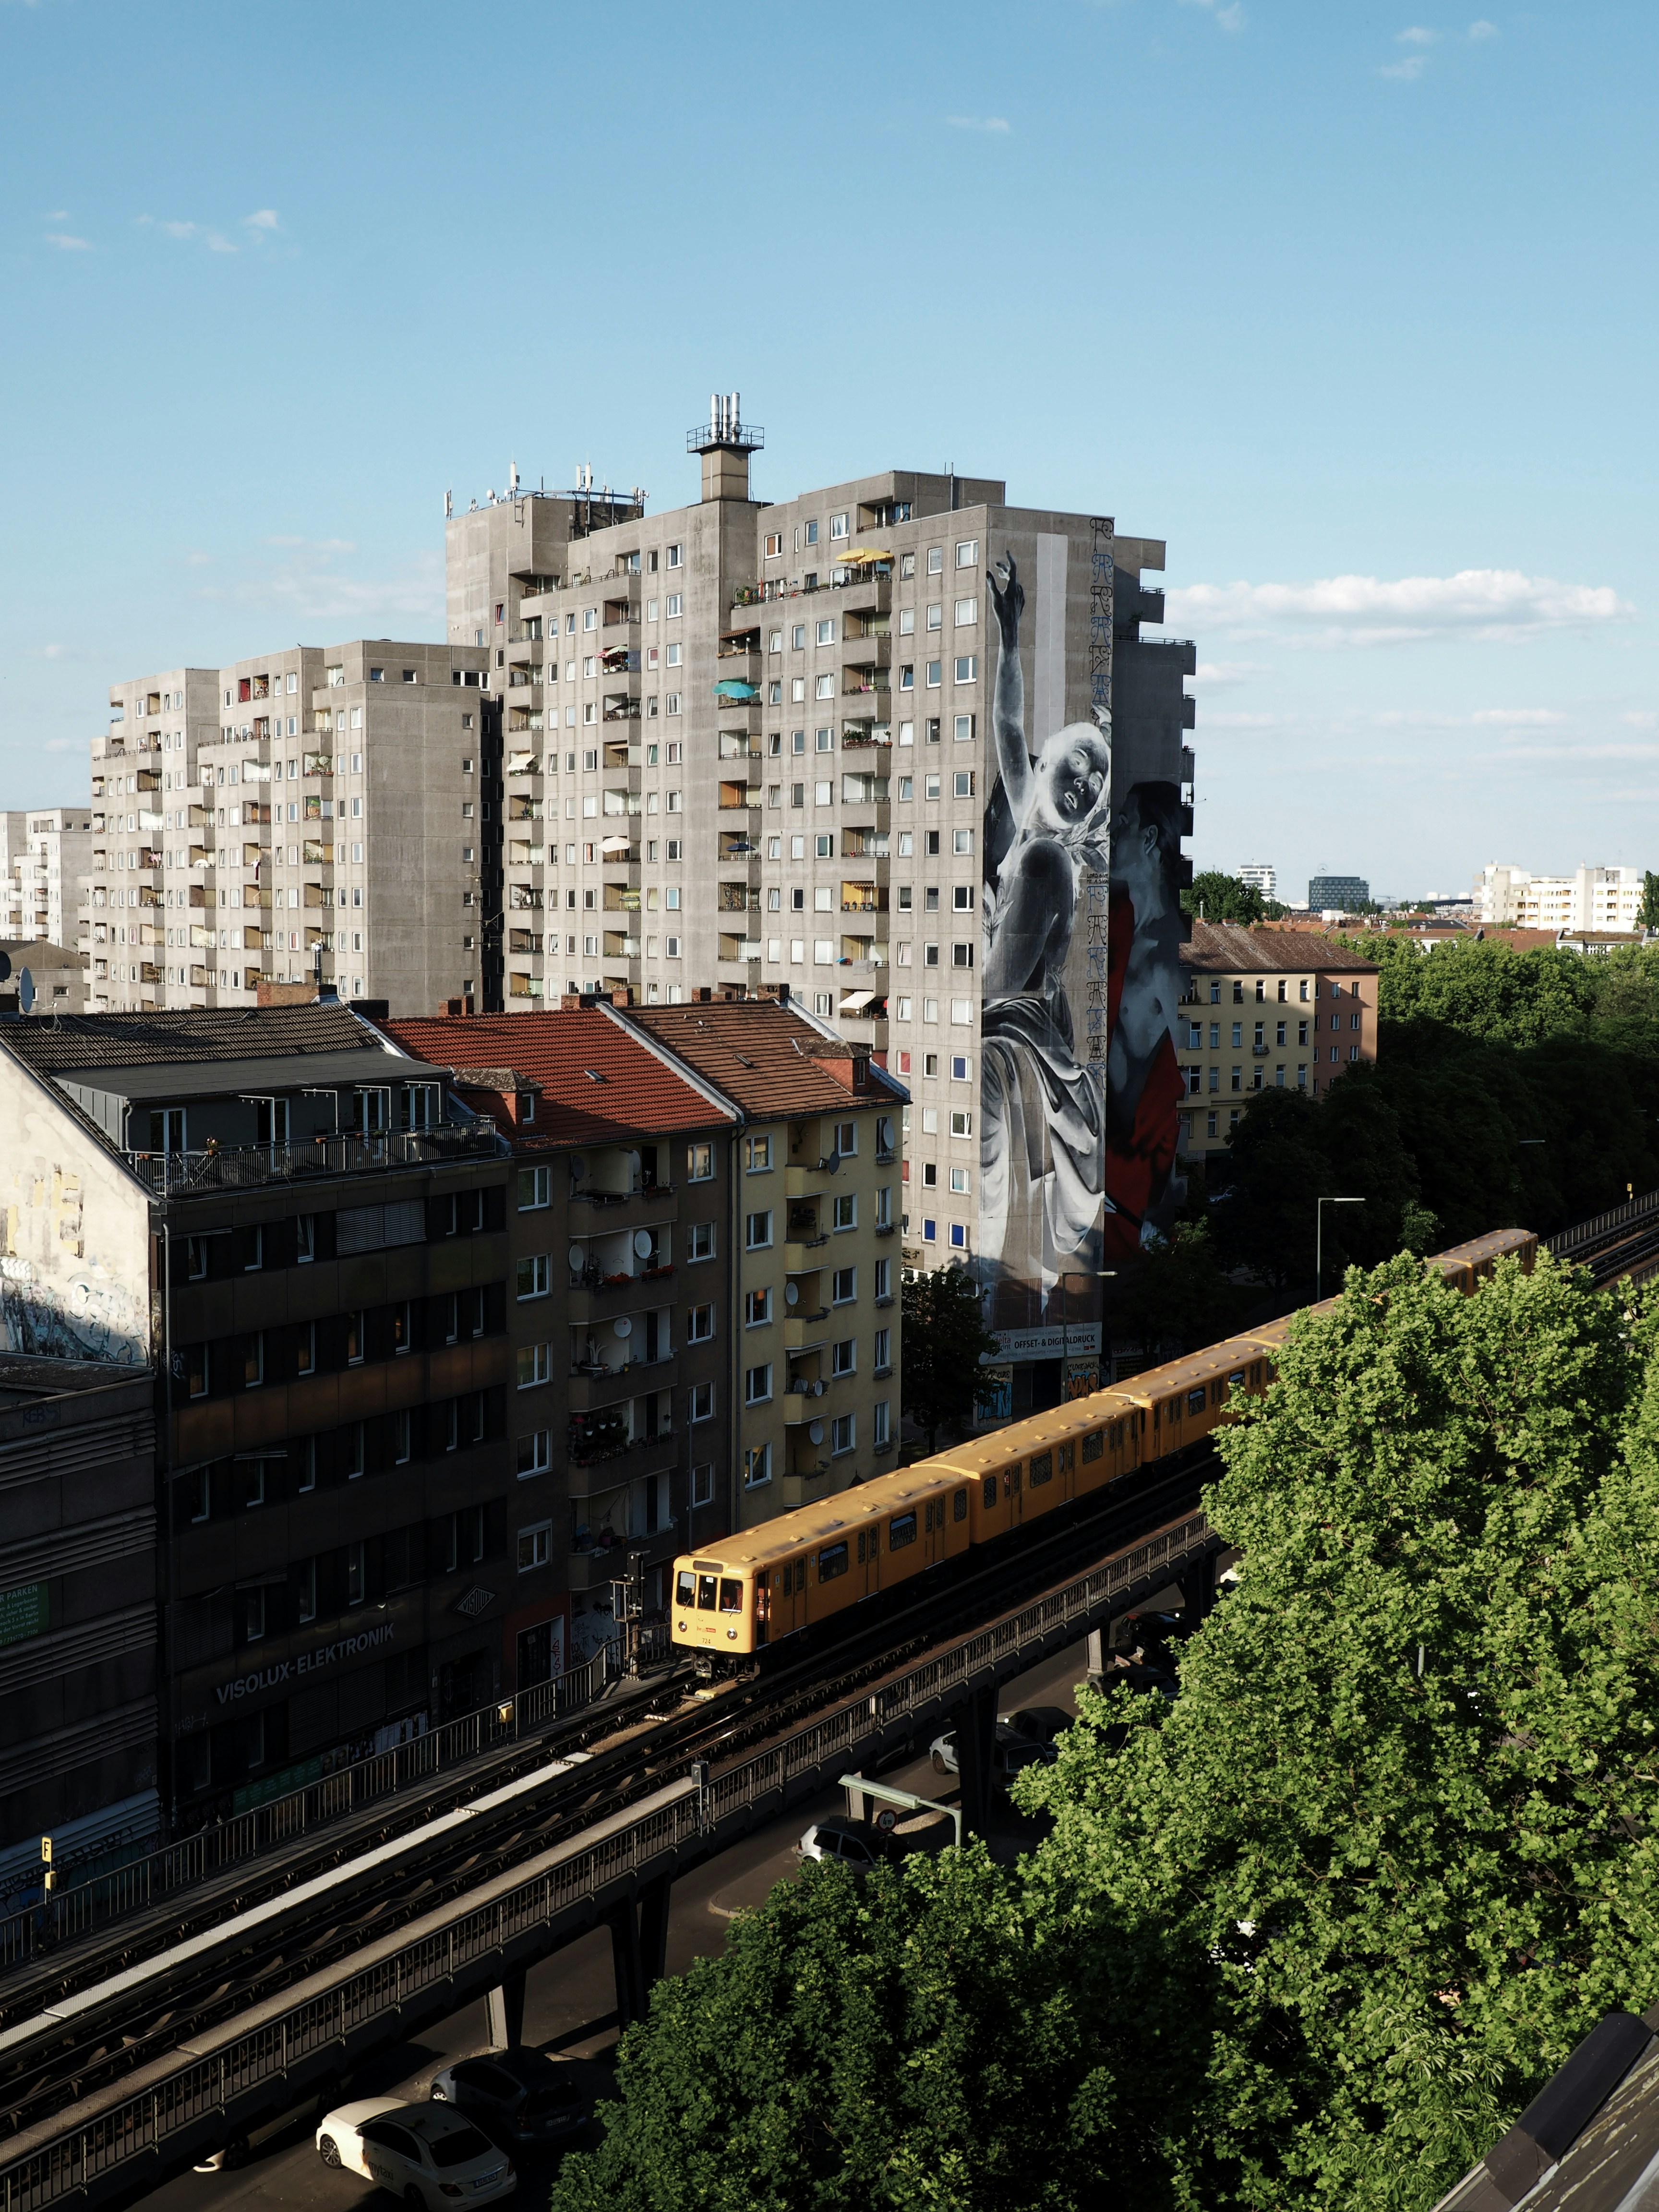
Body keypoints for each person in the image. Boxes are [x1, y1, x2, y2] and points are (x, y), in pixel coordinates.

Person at [979, 554, 1113, 1301]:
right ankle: (1024, 1271)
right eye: (1079, 763)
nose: (1086, 780)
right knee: (1048, 1165)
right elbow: (1006, 720)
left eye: (1095, 780)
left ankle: (1034, 1270)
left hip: (1037, 1016)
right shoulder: (1035, 839)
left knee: (1067, 1160)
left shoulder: (1054, 862)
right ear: (1053, 759)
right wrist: (1010, 635)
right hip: (1020, 1020)